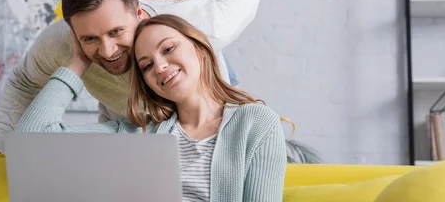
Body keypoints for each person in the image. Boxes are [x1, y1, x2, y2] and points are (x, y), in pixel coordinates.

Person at [0, 0, 260, 158]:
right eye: (89, 38)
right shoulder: (60, 43)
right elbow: (23, 85)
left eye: (117, 31)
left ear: (139, 12)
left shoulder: (196, 21)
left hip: (206, 111)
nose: (106, 51)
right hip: (129, 120)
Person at [15, 14, 287, 202]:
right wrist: (77, 62)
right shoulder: (138, 134)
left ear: (200, 49)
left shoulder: (255, 124)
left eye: (168, 49)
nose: (160, 66)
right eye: (146, 65)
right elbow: (31, 139)